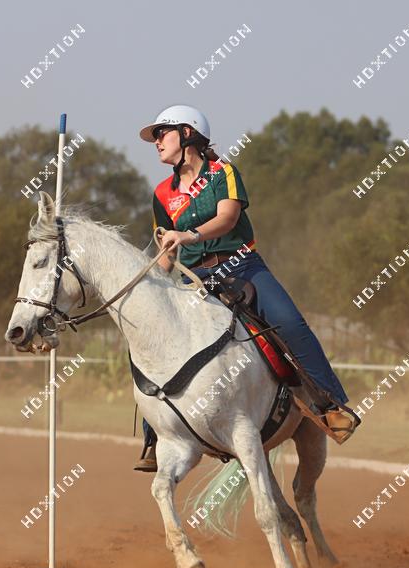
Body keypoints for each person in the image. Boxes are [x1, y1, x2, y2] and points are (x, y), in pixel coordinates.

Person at [133, 104, 357, 473]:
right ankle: (155, 437)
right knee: (157, 339)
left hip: (241, 268)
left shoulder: (224, 172)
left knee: (290, 323)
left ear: (187, 134)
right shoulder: (161, 193)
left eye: (162, 133)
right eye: (155, 136)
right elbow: (165, 248)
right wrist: (158, 273)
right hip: (194, 279)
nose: (156, 141)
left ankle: (331, 406)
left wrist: (187, 234)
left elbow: (228, 217)